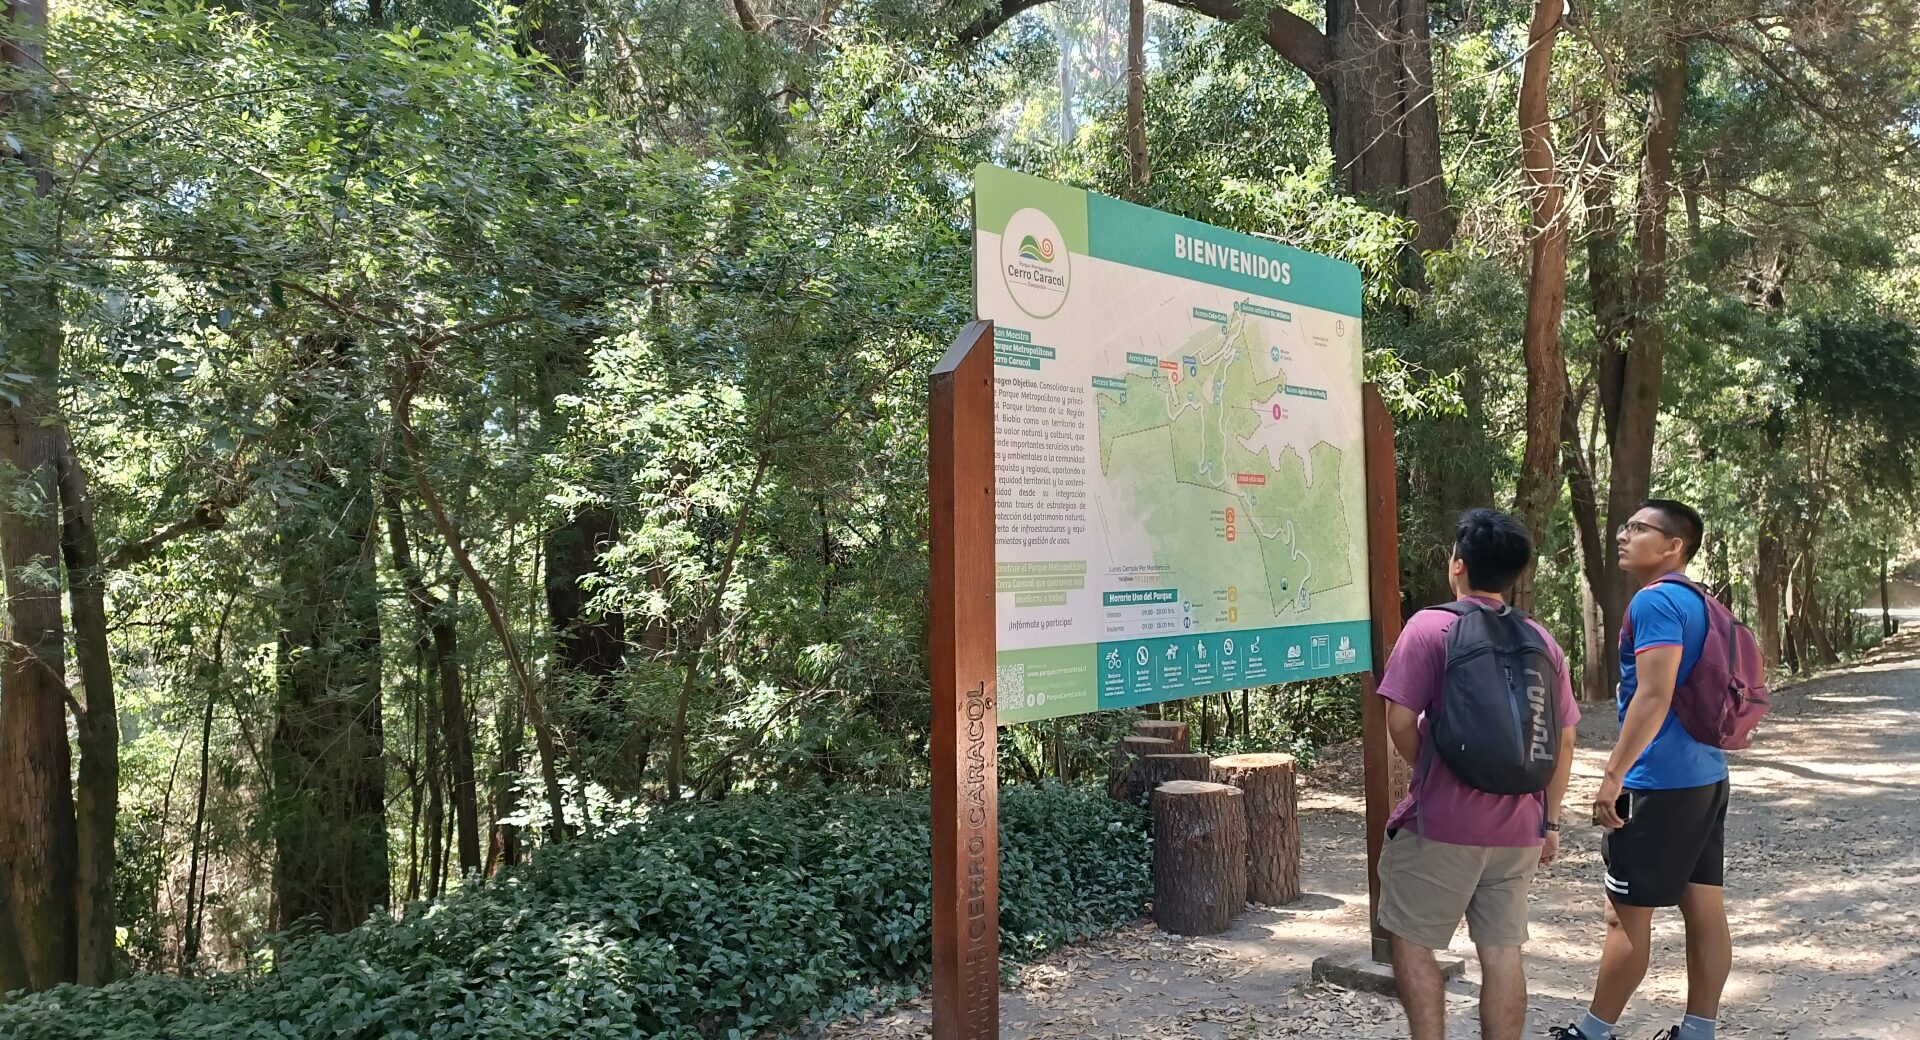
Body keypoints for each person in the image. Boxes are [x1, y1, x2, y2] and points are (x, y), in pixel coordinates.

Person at [1377, 508, 1580, 1040]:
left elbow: (1398, 717)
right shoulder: (1542, 640)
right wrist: (1550, 822)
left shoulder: (1430, 627)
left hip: (1443, 823)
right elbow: (1563, 737)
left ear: (1457, 565)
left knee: (1413, 941)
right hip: (1519, 830)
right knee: (1503, 952)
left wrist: (1428, 766)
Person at [1552, 499, 1731, 1040]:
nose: (1624, 536)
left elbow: (1653, 697)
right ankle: (1699, 1031)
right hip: (1705, 772)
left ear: (1674, 546)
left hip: (1659, 782)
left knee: (1624, 916)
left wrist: (1613, 776)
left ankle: (1592, 1033)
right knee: (1704, 908)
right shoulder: (1701, 599)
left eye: (1638, 528)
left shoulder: (1654, 602)